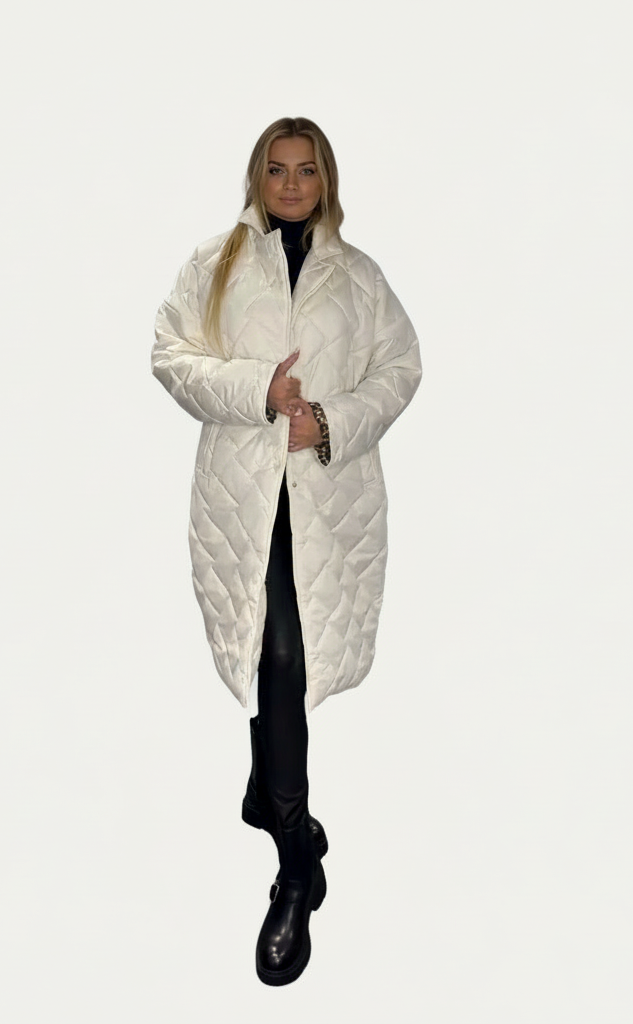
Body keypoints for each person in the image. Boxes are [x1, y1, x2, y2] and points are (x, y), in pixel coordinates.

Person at [151, 117, 421, 986]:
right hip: (244, 495)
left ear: (325, 179)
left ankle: (275, 814)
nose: (292, 183)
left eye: (307, 170)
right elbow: (170, 353)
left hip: (324, 500)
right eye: (278, 169)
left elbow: (402, 369)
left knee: (289, 663)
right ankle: (297, 849)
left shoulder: (360, 277)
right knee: (271, 654)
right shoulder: (216, 263)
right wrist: (258, 391)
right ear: (258, 177)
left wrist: (329, 421)